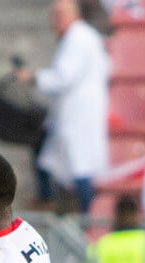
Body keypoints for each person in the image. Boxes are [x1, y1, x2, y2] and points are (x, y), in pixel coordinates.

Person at [16, 0, 108, 213]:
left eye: (59, 14)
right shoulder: (82, 37)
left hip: (78, 120)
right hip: (75, 118)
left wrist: (33, 77)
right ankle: (52, 202)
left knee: (79, 171)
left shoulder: (77, 39)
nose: (54, 20)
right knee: (63, 165)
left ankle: (86, 222)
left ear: (73, 14)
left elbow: (62, 77)